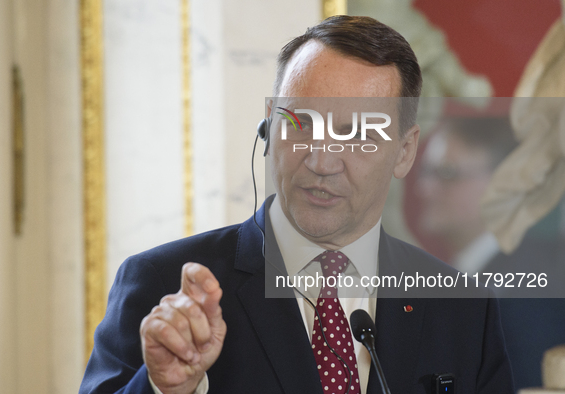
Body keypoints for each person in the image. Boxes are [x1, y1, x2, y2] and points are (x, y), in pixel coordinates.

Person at [80, 16, 514, 394]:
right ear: (269, 127)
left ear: (404, 151)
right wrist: (162, 388)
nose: (321, 161)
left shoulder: (463, 306)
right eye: (301, 124)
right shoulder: (162, 285)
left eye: (358, 135)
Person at [417, 116, 565, 390]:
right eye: (426, 172)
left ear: (504, 184)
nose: (425, 189)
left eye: (447, 173)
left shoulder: (527, 291)